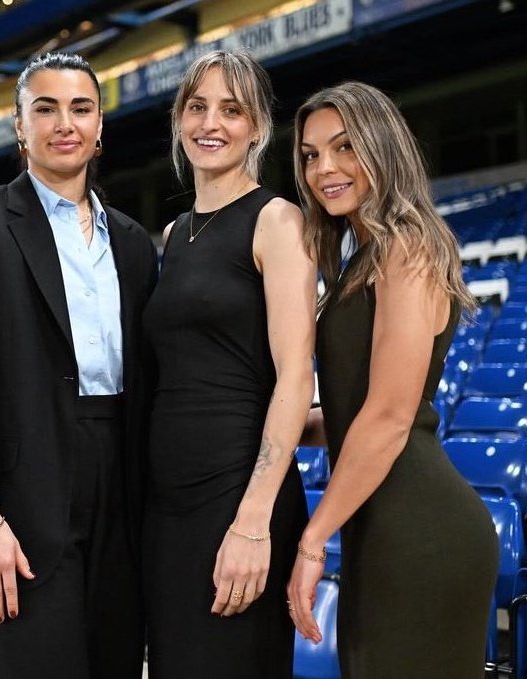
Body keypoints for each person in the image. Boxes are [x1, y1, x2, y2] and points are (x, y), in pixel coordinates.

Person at [0, 52, 158, 679]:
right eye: (45, 109)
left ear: (100, 127)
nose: (64, 123)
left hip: (123, 496)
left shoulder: (133, 242)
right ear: (20, 127)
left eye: (81, 108)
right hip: (20, 503)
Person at [287, 81, 499, 678]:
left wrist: (312, 540)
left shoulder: (407, 245)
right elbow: (356, 412)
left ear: (382, 146)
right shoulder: (363, 256)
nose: (324, 168)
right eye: (310, 154)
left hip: (420, 530)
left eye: (345, 147)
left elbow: (389, 418)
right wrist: (284, 430)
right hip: (379, 527)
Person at [142, 49, 317, 678]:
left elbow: (295, 375)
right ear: (178, 120)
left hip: (238, 494)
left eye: (231, 109)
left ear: (258, 127)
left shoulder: (277, 220)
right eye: (197, 107)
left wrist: (253, 519)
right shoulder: (174, 233)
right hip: (168, 504)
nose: (210, 123)